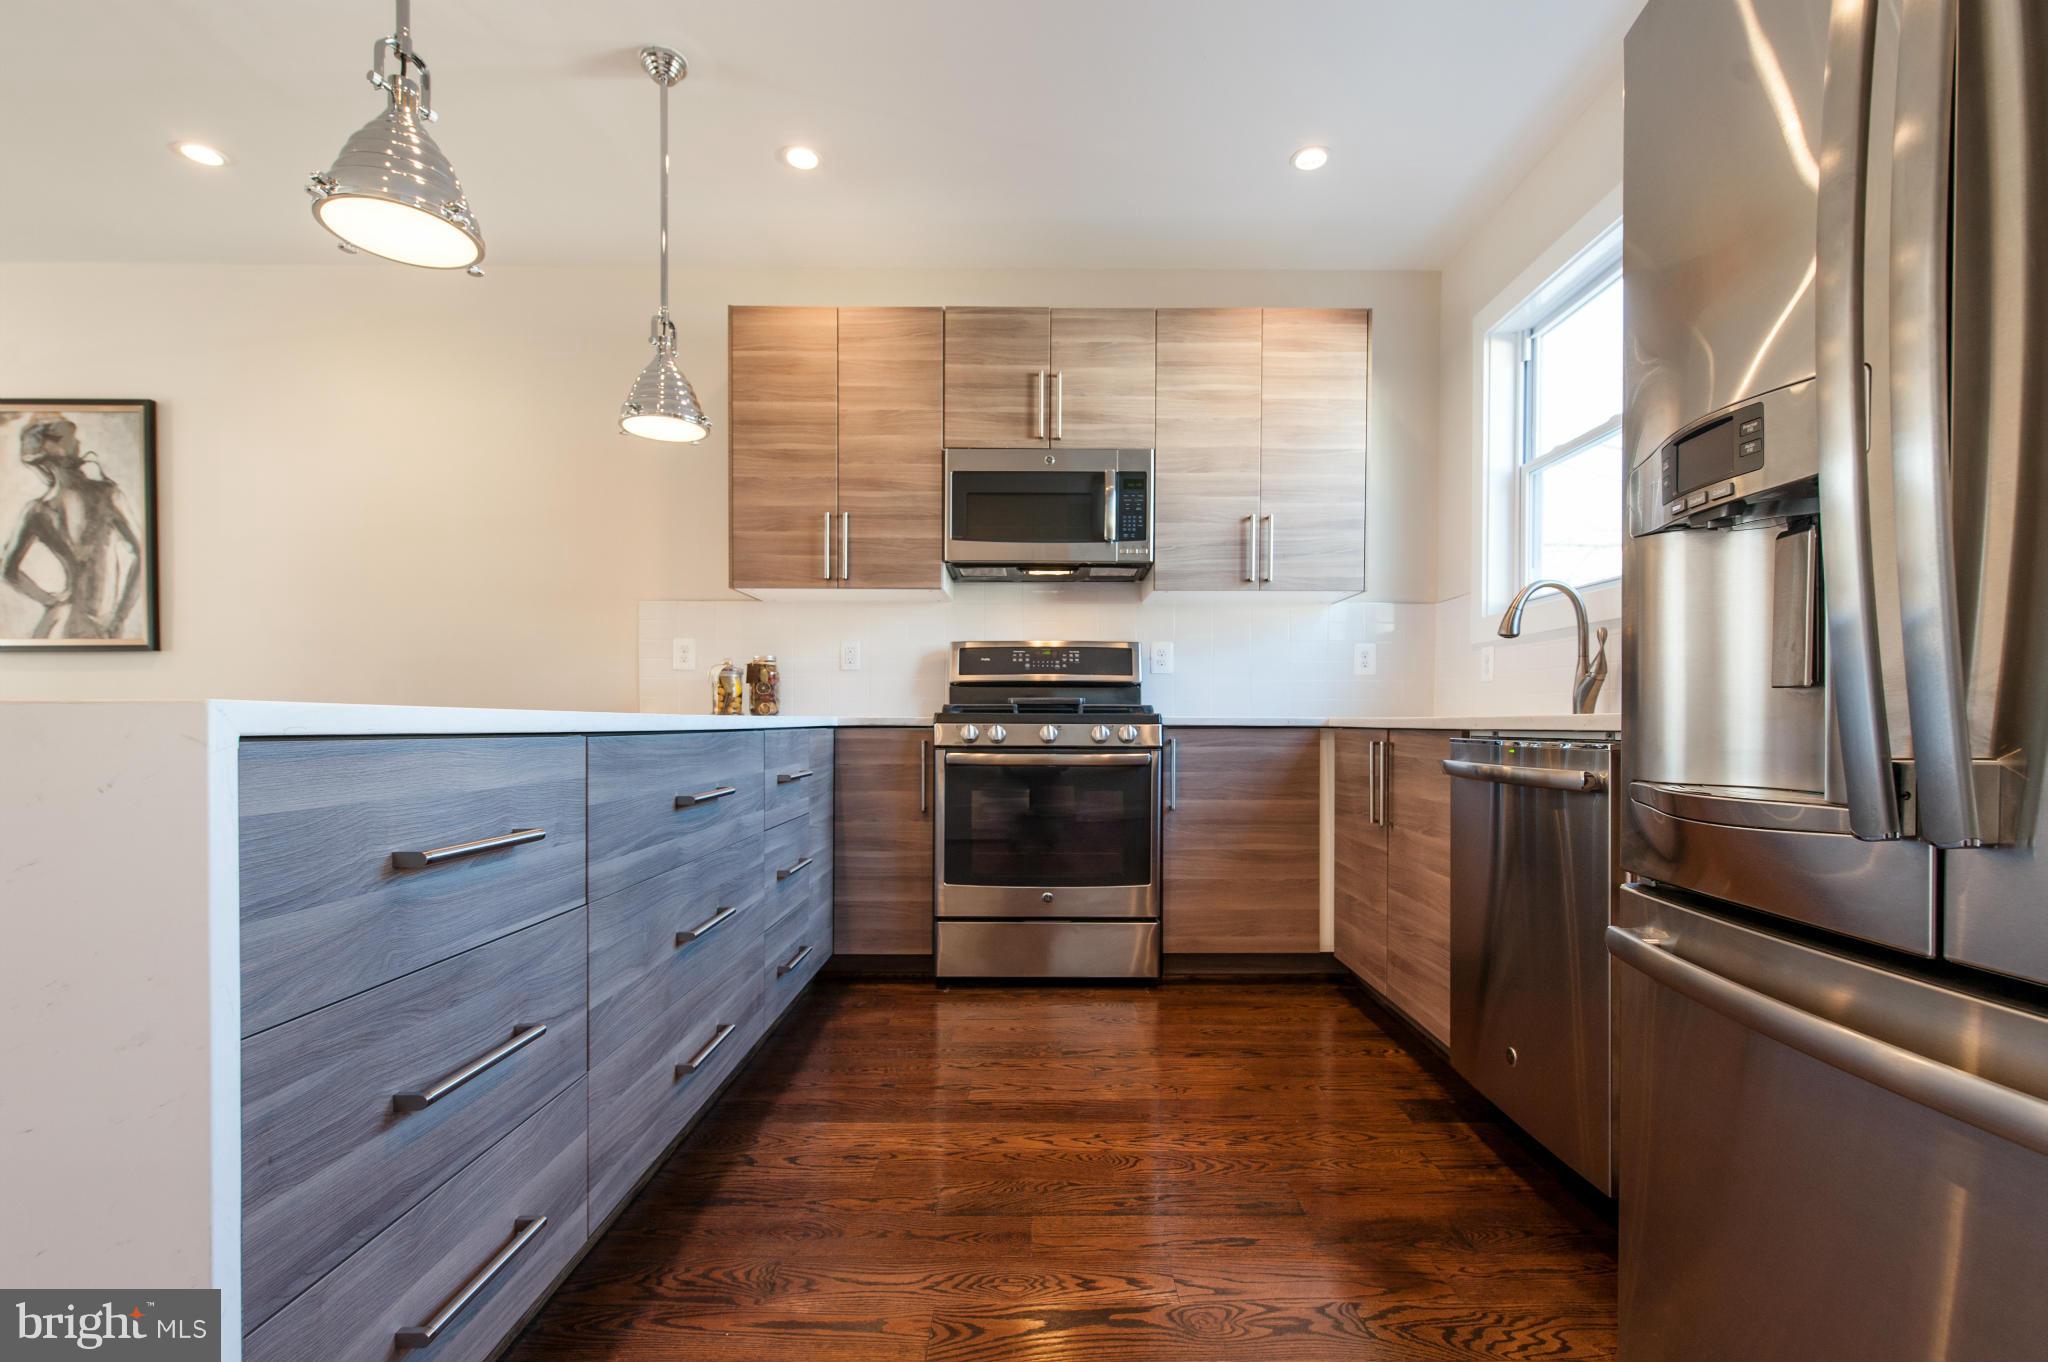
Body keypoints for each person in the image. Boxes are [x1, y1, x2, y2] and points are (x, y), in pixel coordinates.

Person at [1, 414, 145, 640]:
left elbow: (8, 569)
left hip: (64, 620)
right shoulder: (107, 495)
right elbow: (144, 554)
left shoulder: (37, 510)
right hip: (95, 622)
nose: (78, 443)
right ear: (53, 447)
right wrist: (119, 617)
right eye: (70, 438)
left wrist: (50, 601)